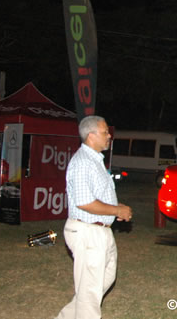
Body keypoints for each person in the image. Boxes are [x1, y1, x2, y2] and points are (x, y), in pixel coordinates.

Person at [55, 115, 132, 319]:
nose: (109, 136)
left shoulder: (95, 160)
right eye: (105, 132)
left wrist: (117, 207)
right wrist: (116, 211)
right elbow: (84, 202)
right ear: (91, 136)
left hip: (100, 231)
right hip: (87, 231)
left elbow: (96, 195)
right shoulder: (82, 162)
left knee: (102, 281)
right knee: (90, 292)